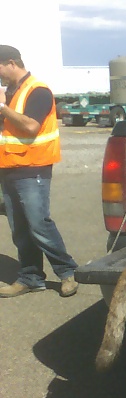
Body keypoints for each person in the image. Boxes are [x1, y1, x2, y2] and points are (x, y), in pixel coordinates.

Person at [0, 45, 78, 298]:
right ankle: (30, 278)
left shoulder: (38, 90)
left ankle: (69, 273)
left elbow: (32, 127)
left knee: (39, 225)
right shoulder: (10, 92)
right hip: (9, 168)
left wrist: (3, 108)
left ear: (11, 63)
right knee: (20, 230)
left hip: (33, 169)